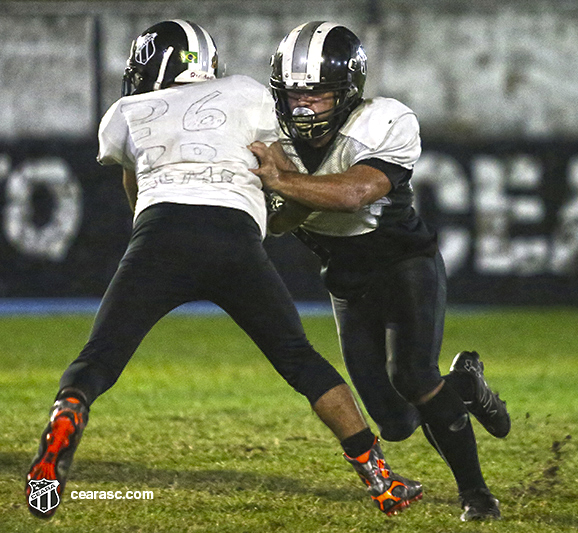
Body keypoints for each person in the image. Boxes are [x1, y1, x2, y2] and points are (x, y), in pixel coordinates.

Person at [25, 19, 422, 520]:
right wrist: (278, 211)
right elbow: (278, 167)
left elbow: (135, 187)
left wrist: (152, 247)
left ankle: (69, 411)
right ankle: (380, 480)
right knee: (300, 360)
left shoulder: (125, 111)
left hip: (160, 233)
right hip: (233, 236)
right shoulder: (247, 93)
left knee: (100, 354)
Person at [249, 21, 510, 521]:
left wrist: (282, 179)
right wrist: (277, 197)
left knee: (412, 375)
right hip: (344, 279)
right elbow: (279, 224)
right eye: (295, 95)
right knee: (394, 421)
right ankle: (464, 384)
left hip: (403, 262)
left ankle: (477, 495)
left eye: (319, 94)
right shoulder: (268, 132)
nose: (304, 107)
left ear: (348, 91)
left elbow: (354, 193)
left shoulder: (385, 119)